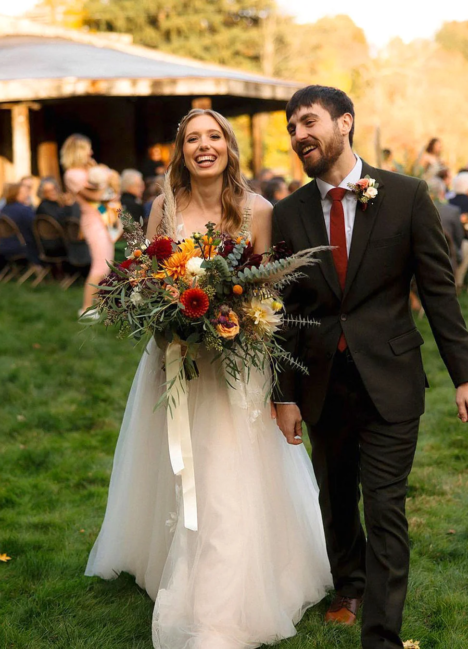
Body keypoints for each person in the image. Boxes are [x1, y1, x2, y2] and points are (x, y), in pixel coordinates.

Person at [85, 108, 332, 649]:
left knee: (224, 478)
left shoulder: (257, 210)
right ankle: (170, 564)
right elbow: (144, 283)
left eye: (213, 136)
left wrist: (234, 321)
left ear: (228, 145)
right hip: (174, 362)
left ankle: (219, 608)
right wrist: (164, 315)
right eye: (192, 138)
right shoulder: (163, 207)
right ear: (181, 150)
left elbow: (268, 294)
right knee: (175, 473)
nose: (204, 146)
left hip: (234, 368)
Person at [271, 85, 468, 649]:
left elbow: (439, 290)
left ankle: (382, 637)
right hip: (320, 383)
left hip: (390, 379)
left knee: (386, 506)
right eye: (291, 127)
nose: (298, 136)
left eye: (308, 122)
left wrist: (466, 375)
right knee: (336, 497)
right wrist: (284, 394)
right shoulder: (289, 213)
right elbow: (287, 314)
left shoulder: (406, 195)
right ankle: (350, 586)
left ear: (345, 123)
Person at [61, 134, 114, 319]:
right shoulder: (72, 174)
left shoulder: (86, 170)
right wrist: (108, 178)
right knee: (100, 266)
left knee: (107, 265)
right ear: (77, 151)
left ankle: (99, 305)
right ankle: (85, 308)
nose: (91, 152)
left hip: (102, 219)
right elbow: (96, 196)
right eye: (87, 148)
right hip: (92, 221)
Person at [1, 180, 41, 267]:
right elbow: (35, 228)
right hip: (23, 247)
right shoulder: (23, 210)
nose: (27, 195)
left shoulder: (3, 210)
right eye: (24, 193)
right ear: (16, 194)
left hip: (4, 246)